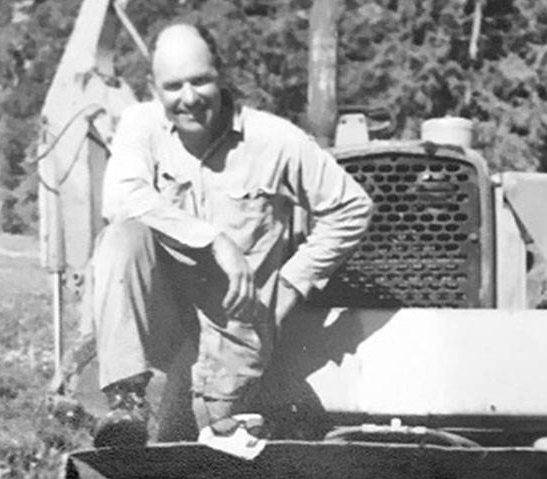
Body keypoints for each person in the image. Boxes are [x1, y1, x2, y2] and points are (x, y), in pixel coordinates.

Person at [79, 22, 373, 446]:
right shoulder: (139, 125)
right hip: (159, 338)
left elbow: (351, 206)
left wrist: (292, 284)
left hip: (232, 343)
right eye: (173, 86)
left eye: (201, 81)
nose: (189, 98)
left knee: (213, 464)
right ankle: (127, 399)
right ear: (153, 88)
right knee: (122, 238)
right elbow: (121, 198)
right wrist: (216, 240)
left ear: (222, 76)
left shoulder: (275, 141)